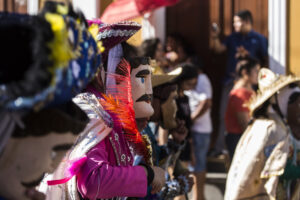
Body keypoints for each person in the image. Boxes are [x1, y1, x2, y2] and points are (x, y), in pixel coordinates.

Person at [46, 21, 165, 200]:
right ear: (101, 74)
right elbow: (93, 182)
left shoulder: (104, 112)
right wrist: (147, 174)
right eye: (121, 74)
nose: (127, 84)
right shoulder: (92, 112)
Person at [225, 68, 300, 200]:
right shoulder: (273, 129)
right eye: (297, 103)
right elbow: (276, 171)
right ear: (283, 102)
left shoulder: (268, 124)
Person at [211, 10, 268, 156]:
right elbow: (218, 49)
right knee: (224, 115)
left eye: (237, 21)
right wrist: (215, 36)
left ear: (247, 22)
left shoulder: (259, 39)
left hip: (250, 84)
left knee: (249, 116)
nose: (234, 24)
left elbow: (265, 60)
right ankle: (221, 148)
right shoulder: (233, 37)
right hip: (231, 81)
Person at [185, 65, 213, 200]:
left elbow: (206, 102)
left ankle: (198, 197)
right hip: (197, 130)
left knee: (197, 165)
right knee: (195, 165)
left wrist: (191, 119)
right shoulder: (200, 79)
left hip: (199, 131)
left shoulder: (202, 78)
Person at [224, 57, 260, 159]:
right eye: (256, 71)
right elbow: (244, 122)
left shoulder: (249, 91)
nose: (258, 75)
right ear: (245, 72)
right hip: (239, 137)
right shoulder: (240, 93)